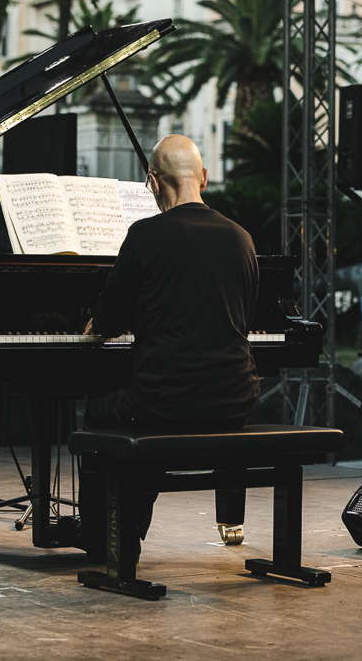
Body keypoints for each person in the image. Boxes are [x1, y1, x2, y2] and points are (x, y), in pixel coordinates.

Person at [78, 134, 260, 561]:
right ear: (205, 178)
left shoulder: (145, 235)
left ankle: (110, 542)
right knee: (153, 399)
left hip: (165, 402)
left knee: (98, 412)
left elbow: (106, 323)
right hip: (235, 400)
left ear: (153, 182)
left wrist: (95, 322)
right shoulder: (241, 237)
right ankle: (120, 532)